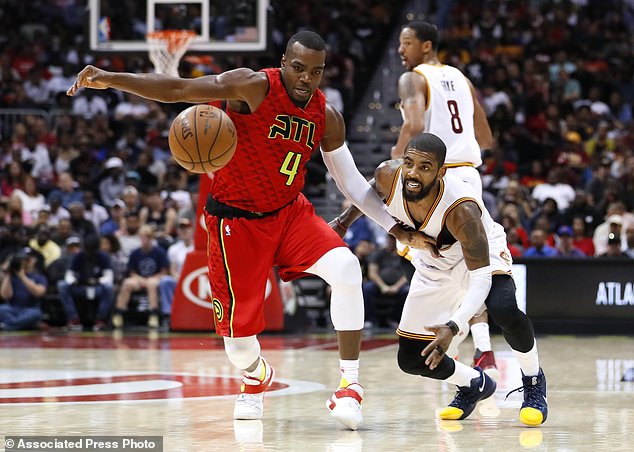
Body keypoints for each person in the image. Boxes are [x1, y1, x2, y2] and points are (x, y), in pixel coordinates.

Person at [68, 30, 431, 430]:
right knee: (238, 344)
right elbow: (177, 88)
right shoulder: (251, 86)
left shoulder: (327, 117)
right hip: (234, 222)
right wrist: (110, 78)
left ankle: (350, 385)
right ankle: (255, 375)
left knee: (346, 268)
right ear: (283, 62)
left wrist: (394, 227)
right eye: (297, 68)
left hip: (290, 213)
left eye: (315, 71)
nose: (305, 78)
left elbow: (352, 183)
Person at [353, 133, 548, 425]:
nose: (413, 173)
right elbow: (368, 192)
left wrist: (453, 326)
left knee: (502, 307)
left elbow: (481, 280)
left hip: (480, 256)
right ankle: (473, 383)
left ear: (441, 172)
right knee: (410, 359)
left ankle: (534, 380)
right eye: (409, 163)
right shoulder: (389, 174)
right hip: (435, 261)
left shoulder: (463, 210)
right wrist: (344, 221)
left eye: (425, 167)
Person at [338, 20, 498, 373]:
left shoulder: (412, 78)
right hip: (468, 175)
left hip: (433, 179)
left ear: (425, 46)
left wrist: (400, 165)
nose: (400, 50)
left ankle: (456, 341)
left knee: (433, 259)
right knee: (460, 264)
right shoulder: (462, 78)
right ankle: (481, 347)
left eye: (406, 42)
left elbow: (412, 125)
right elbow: (485, 136)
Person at [112, 225, 169, 329]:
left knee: (151, 284)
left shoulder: (159, 252)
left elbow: (164, 271)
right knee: (127, 283)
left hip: (154, 278)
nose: (144, 240)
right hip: (139, 279)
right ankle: (119, 313)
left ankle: (153, 314)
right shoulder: (135, 253)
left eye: (146, 237)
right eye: (142, 237)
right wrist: (141, 279)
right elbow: (131, 272)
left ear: (151, 238)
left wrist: (151, 279)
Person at [0, 248, 47, 331]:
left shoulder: (39, 277)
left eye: (28, 259)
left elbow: (39, 293)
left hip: (30, 309)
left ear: (34, 260)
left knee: (36, 313)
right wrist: (8, 273)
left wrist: (22, 276)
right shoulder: (12, 276)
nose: (25, 262)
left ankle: (8, 326)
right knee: (2, 308)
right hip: (13, 309)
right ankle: (21, 325)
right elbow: (5, 296)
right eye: (23, 259)